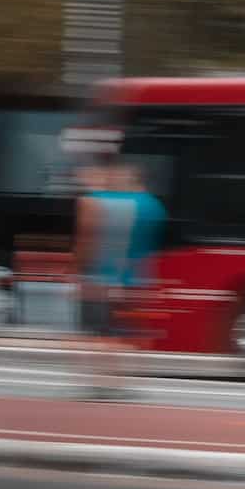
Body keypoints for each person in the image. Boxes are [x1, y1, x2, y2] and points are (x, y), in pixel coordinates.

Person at [72, 157, 166, 400]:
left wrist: (77, 271)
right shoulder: (154, 206)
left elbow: (87, 240)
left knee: (100, 332)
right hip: (137, 279)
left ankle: (103, 380)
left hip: (100, 278)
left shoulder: (96, 201)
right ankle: (121, 379)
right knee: (125, 331)